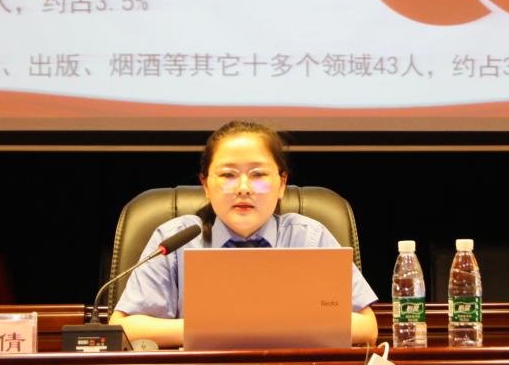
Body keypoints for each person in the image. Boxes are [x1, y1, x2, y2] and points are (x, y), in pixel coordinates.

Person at [109, 120, 379, 347]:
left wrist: (250, 327)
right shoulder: (176, 240)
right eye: (228, 175)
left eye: (258, 174)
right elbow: (124, 327)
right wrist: (226, 328)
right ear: (206, 185)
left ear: (281, 184)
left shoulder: (309, 237)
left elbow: (367, 327)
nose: (243, 188)